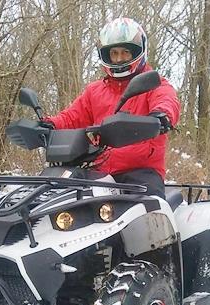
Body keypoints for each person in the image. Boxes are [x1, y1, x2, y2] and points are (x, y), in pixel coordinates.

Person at [44, 17, 180, 198]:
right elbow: (72, 117)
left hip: (141, 172)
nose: (119, 58)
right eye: (114, 53)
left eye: (125, 52)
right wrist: (48, 125)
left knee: (149, 206)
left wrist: (161, 116)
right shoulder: (95, 91)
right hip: (99, 170)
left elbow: (167, 100)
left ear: (137, 52)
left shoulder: (153, 84)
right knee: (57, 195)